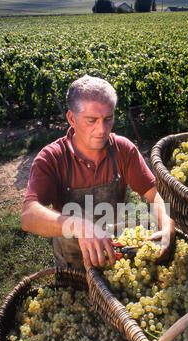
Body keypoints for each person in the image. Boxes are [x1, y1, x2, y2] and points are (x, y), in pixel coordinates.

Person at [21, 75, 175, 270]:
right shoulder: (52, 158)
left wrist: (168, 228)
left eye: (108, 119)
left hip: (112, 255)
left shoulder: (122, 150)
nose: (101, 129)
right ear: (71, 119)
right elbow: (28, 216)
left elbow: (155, 195)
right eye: (91, 120)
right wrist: (78, 225)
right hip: (71, 261)